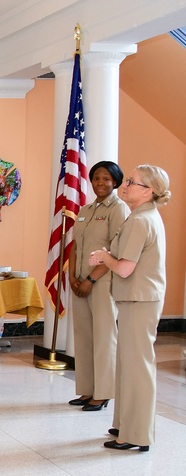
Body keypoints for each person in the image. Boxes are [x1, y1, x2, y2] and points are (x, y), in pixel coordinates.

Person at [89, 164, 170, 453]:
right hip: (136, 299)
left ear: (148, 191)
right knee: (129, 365)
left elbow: (124, 268)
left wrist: (103, 258)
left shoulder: (140, 220)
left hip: (140, 300)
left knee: (137, 368)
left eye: (132, 182)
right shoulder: (141, 215)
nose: (125, 185)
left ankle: (137, 434)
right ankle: (125, 424)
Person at [68, 161, 129, 412]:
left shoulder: (118, 209)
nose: (100, 183)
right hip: (79, 282)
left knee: (104, 337)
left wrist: (90, 280)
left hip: (102, 283)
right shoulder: (85, 209)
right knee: (84, 336)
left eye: (106, 179)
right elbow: (75, 246)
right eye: (96, 178)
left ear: (115, 182)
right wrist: (72, 277)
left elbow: (117, 250)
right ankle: (87, 389)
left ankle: (103, 393)